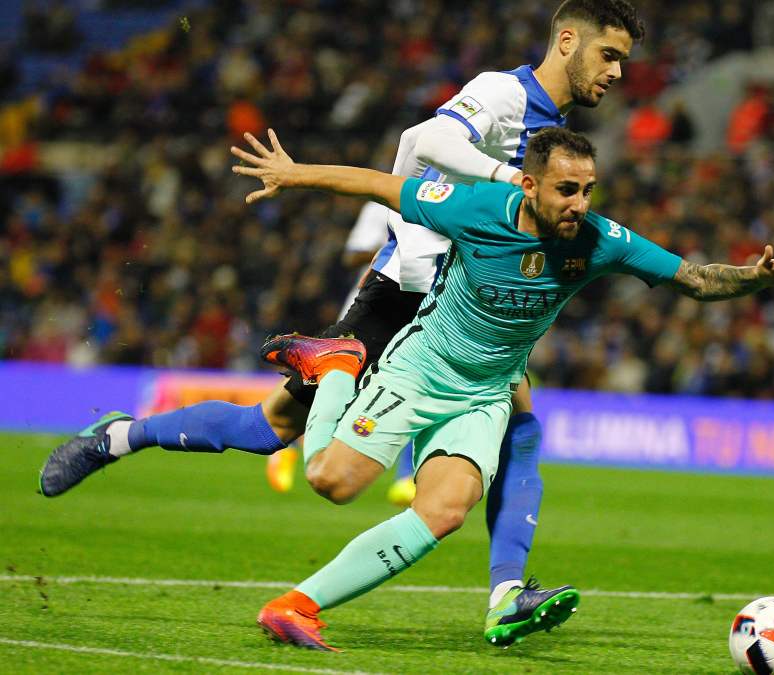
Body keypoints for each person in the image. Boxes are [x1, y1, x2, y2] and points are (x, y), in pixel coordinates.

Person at [41, 127, 774, 652]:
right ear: (528, 184)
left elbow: (690, 276)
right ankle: (337, 365)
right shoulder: (481, 206)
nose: (579, 205)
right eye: (565, 192)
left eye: (587, 189)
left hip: (484, 390)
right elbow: (385, 184)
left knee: (444, 509)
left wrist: (761, 277)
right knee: (326, 478)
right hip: (419, 366)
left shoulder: (600, 239)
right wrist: (294, 174)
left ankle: (297, 604)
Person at [41, 0, 648, 645]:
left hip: (467, 309)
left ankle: (506, 593)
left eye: (622, 61)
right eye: (608, 55)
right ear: (566, 39)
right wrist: (509, 183)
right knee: (273, 427)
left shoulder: (558, 133)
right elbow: (430, 140)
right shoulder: (506, 93)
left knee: (518, 427)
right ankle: (119, 437)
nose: (615, 72)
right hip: (405, 292)